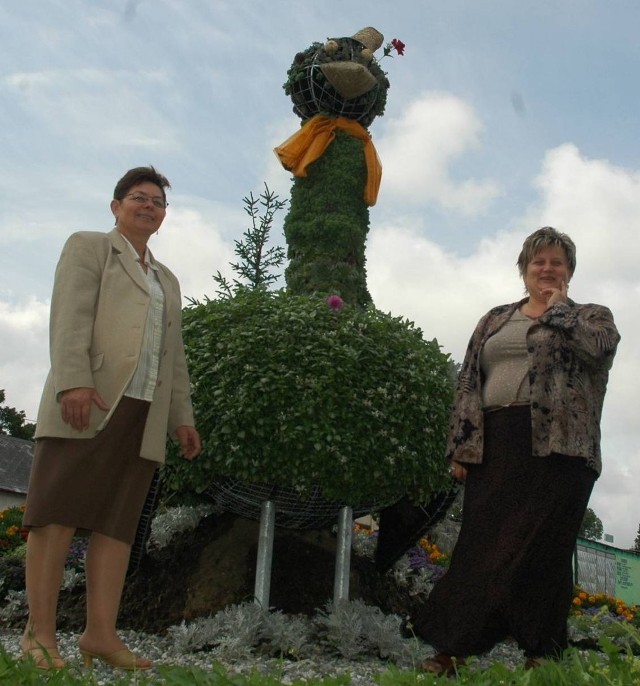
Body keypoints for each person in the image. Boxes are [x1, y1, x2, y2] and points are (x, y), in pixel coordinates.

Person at [410, 227, 620, 675]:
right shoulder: (495, 319)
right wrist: (462, 447)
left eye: (556, 262)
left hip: (561, 448)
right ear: (524, 269)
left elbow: (599, 352)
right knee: (478, 547)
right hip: (498, 442)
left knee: (544, 550)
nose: (546, 269)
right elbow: (469, 380)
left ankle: (540, 654)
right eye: (538, 262)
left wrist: (559, 309)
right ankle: (450, 649)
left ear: (569, 271)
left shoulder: (590, 315)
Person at [20, 166, 202, 671]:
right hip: (89, 400)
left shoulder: (167, 279)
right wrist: (74, 380)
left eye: (158, 202)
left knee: (117, 527)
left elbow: (175, 355)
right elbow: (70, 316)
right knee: (55, 515)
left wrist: (180, 418)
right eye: (139, 198)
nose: (149, 206)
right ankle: (38, 636)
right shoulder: (90, 247)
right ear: (116, 206)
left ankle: (100, 634)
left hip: (143, 413)